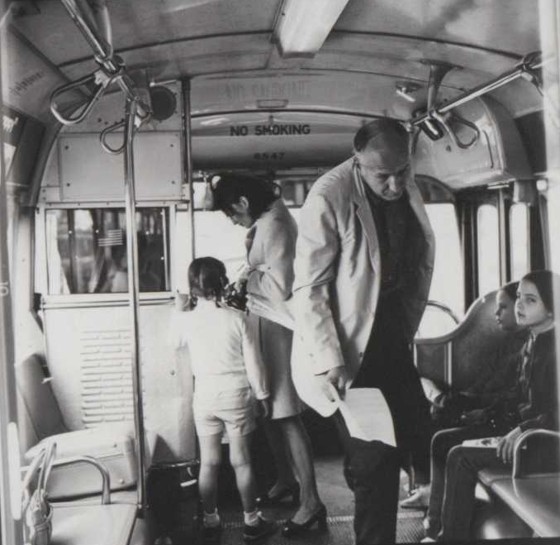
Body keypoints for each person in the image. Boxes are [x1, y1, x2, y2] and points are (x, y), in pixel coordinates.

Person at [291, 118, 435, 544]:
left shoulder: (404, 178)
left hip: (390, 336)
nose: (394, 185)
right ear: (357, 162)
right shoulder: (328, 196)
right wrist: (331, 357)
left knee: (416, 433)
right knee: (376, 459)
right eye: (382, 176)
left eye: (402, 173)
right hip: (347, 346)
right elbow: (310, 287)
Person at [211, 173, 325, 538]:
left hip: (278, 330)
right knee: (272, 414)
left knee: (286, 414)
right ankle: (286, 479)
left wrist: (244, 282)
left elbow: (279, 288)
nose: (233, 221)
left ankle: (311, 502)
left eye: (232, 214)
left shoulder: (275, 226)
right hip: (267, 328)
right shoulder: (266, 223)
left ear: (243, 203)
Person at [431, 270, 560, 542]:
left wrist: (520, 430)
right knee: (443, 440)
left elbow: (555, 414)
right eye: (519, 299)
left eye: (531, 300)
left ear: (552, 309)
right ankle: (436, 528)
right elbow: (516, 395)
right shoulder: (532, 342)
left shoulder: (555, 352)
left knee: (459, 455)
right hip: (525, 436)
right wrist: (490, 417)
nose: (519, 306)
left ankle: (448, 537)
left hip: (543, 443)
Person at [171, 257, 275, 543]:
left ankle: (210, 520)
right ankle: (252, 521)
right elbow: (255, 363)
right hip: (237, 395)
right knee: (242, 462)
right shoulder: (238, 319)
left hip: (204, 397)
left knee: (209, 463)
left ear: (192, 288)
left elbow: (173, 341)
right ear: (223, 283)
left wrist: (179, 311)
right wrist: (263, 395)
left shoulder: (188, 322)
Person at [420, 282, 527, 531]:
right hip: (499, 414)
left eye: (503, 307)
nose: (496, 314)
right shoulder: (514, 343)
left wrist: (481, 412)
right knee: (440, 429)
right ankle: (435, 521)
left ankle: (441, 524)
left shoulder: (528, 348)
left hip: (513, 428)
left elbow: (511, 397)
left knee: (447, 433)